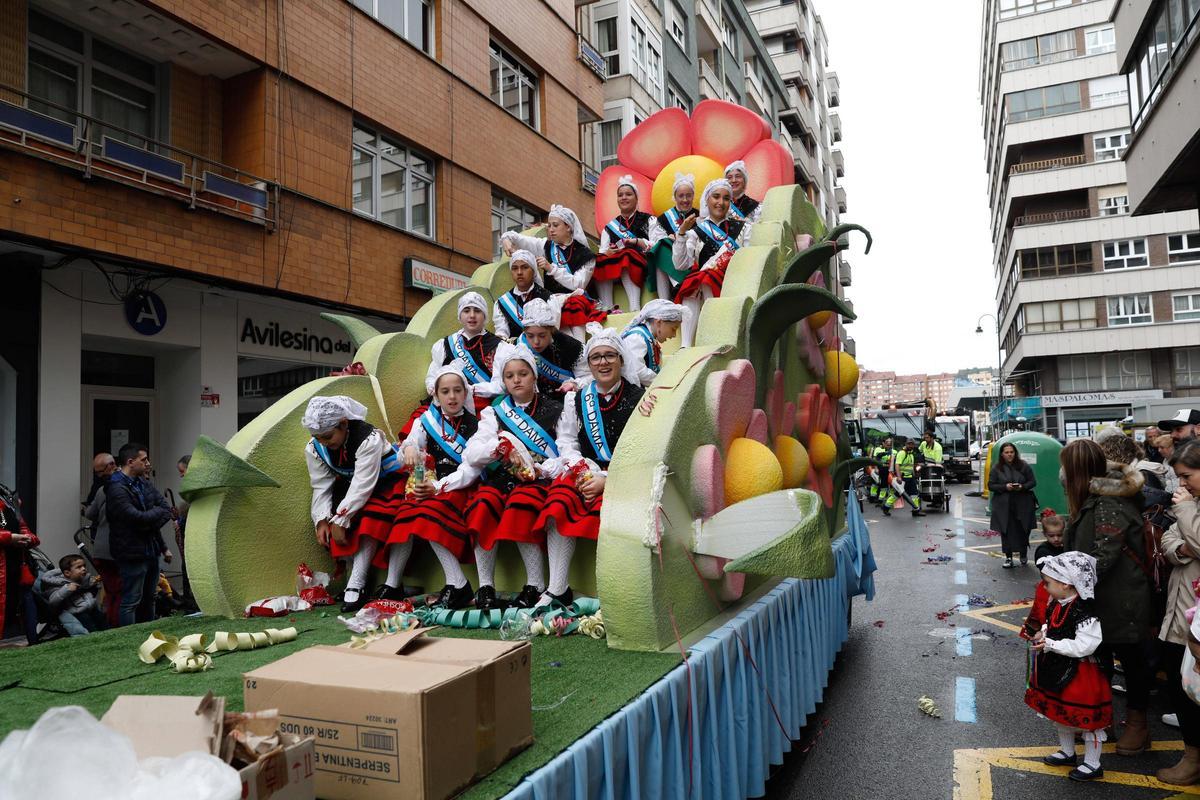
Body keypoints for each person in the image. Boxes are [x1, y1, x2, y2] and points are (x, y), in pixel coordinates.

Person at [462, 342, 580, 610]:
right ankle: (485, 586)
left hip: (540, 479)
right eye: (509, 375)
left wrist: (542, 469)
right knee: (482, 505)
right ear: (503, 380)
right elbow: (473, 453)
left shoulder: (556, 408)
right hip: (503, 479)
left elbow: (566, 451)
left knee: (521, 502)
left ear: (534, 376)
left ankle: (536, 584)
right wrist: (499, 448)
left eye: (522, 373)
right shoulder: (494, 412)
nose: (516, 380)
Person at [533, 326, 645, 608]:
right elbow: (567, 440)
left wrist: (606, 479)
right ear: (589, 363)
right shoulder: (576, 398)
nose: (603, 362)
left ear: (621, 360)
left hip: (623, 475)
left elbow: (643, 451)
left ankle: (616, 594)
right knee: (558, 500)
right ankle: (557, 589)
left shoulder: (639, 398)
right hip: (586, 470)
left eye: (610, 356)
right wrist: (582, 470)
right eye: (596, 357)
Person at [1060, 438, 1154, 756]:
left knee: (1132, 661)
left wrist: (1067, 581)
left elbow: (1104, 554)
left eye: (1065, 467)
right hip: (1102, 597)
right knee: (1101, 662)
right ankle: (1104, 721)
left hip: (1123, 597)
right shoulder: (1094, 496)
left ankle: (1138, 725)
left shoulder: (1109, 499)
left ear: (1077, 471)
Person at [386, 366, 482, 610]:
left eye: (457, 391)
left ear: (465, 393)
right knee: (407, 510)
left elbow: (471, 470)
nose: (452, 397)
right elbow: (411, 446)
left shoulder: (477, 425)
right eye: (445, 391)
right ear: (436, 395)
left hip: (460, 486)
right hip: (432, 486)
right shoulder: (425, 421)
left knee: (428, 511)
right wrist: (408, 449)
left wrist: (437, 487)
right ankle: (392, 583)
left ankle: (457, 583)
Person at [302, 396, 407, 613]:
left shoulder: (368, 439)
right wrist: (321, 519)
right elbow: (321, 485)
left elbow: (363, 483)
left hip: (386, 484)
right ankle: (355, 580)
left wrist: (342, 518)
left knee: (370, 519)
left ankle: (357, 583)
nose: (323, 443)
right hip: (355, 490)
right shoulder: (315, 447)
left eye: (328, 436)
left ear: (344, 423)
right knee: (334, 519)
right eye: (318, 438)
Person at [1025, 551, 1111, 783]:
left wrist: (1050, 643)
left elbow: (1086, 645)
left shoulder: (1085, 611)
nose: (1044, 588)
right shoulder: (1058, 602)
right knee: (1060, 713)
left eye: (1048, 583)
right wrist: (1043, 632)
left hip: (1082, 673)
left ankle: (1093, 764)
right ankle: (1068, 752)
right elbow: (1050, 624)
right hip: (1058, 666)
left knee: (1087, 720)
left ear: (1066, 584)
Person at [1155, 441, 1200, 785]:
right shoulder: (1190, 505)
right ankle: (1192, 757)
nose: (1182, 485)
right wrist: (1184, 546)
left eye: (1187, 476)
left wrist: (1186, 518)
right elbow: (1169, 544)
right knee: (1183, 691)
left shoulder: (1188, 507)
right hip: (1179, 611)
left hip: (1197, 620)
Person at [500, 205, 606, 341]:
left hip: (575, 300)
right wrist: (506, 240)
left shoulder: (586, 255)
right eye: (549, 226)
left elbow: (578, 284)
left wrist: (552, 269)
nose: (551, 230)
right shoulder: (546, 246)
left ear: (568, 227)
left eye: (555, 225)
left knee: (573, 308)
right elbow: (516, 238)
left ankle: (580, 349)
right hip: (551, 300)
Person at [671, 178, 754, 347]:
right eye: (716, 197)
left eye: (726, 198)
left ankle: (713, 332)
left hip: (732, 280)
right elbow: (680, 264)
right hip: (704, 282)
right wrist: (681, 233)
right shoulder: (695, 231)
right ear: (707, 200)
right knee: (693, 284)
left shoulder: (743, 228)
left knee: (702, 278)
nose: (720, 202)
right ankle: (685, 346)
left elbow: (748, 259)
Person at [106, 442, 174, 627]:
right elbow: (134, 518)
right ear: (130, 461)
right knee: (131, 600)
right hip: (131, 552)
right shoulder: (116, 488)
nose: (148, 463)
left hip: (150, 549)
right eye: (143, 460)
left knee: (149, 597)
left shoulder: (142, 483)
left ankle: (148, 635)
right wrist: (149, 520)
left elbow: (166, 508)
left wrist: (148, 522)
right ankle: (129, 639)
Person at [424, 291, 502, 414]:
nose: (472, 315)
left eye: (477, 310)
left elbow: (500, 385)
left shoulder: (498, 347)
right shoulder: (445, 344)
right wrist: (434, 388)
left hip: (479, 406)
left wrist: (471, 389)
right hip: (445, 404)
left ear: (485, 316)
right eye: (466, 311)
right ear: (460, 316)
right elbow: (432, 376)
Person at [594, 175, 653, 312]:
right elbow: (602, 250)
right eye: (620, 195)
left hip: (643, 264)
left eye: (628, 194)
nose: (624, 198)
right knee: (598, 259)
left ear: (636, 198)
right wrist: (607, 253)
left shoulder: (648, 220)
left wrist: (638, 242)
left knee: (627, 254)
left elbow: (655, 243)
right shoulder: (609, 227)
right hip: (616, 268)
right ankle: (607, 307)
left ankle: (634, 307)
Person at [515, 298, 588, 395]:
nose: (536, 342)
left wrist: (574, 384)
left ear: (552, 330)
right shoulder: (519, 347)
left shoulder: (570, 346)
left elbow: (587, 376)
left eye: (542, 335)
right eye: (530, 336)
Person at [647, 173, 699, 300]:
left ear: (693, 196)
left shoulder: (700, 217)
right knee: (661, 247)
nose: (685, 200)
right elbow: (655, 242)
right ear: (674, 197)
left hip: (692, 257)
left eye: (688, 195)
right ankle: (665, 298)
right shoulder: (663, 219)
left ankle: (676, 285)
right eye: (681, 196)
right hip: (671, 258)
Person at [0, 482, 40, 645]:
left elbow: (22, 526)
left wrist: (28, 538)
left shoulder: (6, 496)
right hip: (6, 567)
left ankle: (33, 641)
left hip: (16, 566)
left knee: (25, 601)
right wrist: (11, 538)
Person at [989, 442, 1037, 567]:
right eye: (1007, 452)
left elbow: (1032, 482)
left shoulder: (1024, 466)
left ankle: (1023, 554)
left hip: (1023, 503)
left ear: (1015, 453)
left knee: (1023, 528)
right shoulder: (996, 468)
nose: (1009, 455)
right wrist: (1005, 487)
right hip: (1004, 505)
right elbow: (991, 485)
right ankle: (1008, 557)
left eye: (1012, 452)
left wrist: (1022, 487)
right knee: (1006, 530)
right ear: (1002, 454)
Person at [1022, 513, 1067, 640]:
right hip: (1048, 589)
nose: (1056, 539)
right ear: (1045, 534)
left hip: (1065, 588)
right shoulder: (1043, 550)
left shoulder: (1067, 546)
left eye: (1060, 535)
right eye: (1051, 536)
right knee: (1044, 616)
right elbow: (1049, 571)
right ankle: (1041, 638)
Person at [619, 299, 685, 387]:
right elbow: (637, 370)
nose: (674, 335)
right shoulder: (637, 338)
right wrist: (663, 382)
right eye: (673, 329)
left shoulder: (647, 338)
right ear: (659, 322)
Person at [492, 250, 555, 340]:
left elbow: (553, 334)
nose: (519, 272)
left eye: (525, 267)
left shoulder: (548, 298)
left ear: (533, 271)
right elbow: (502, 334)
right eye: (514, 268)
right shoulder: (502, 303)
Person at [35, 554, 105, 636]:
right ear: (67, 573)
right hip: (78, 613)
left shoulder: (83, 579)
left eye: (84, 566)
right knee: (92, 629)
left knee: (104, 624)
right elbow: (53, 601)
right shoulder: (57, 584)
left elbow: (88, 585)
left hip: (92, 608)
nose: (84, 569)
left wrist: (94, 583)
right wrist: (66, 589)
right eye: (79, 567)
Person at [84, 480, 120, 627]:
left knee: (111, 590)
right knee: (120, 592)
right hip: (118, 549)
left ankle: (109, 622)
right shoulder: (124, 489)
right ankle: (116, 624)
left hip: (102, 549)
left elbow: (90, 513)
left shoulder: (101, 490)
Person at [890, 438, 926, 517]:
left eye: (912, 444)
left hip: (910, 478)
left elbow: (911, 467)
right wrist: (899, 477)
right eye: (909, 444)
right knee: (897, 495)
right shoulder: (902, 453)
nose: (911, 445)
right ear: (906, 444)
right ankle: (886, 506)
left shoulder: (911, 454)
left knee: (914, 494)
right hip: (903, 478)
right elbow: (897, 465)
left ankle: (915, 510)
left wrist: (914, 475)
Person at [724, 160, 762, 224]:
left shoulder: (755, 207)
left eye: (738, 176)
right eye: (729, 177)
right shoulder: (719, 204)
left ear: (744, 181)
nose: (733, 180)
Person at [870, 436, 896, 513]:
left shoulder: (894, 451)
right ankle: (880, 501)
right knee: (883, 485)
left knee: (892, 486)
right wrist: (876, 468)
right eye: (887, 443)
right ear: (883, 443)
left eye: (890, 443)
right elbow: (875, 459)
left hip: (891, 470)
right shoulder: (878, 450)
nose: (889, 444)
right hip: (882, 469)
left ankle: (889, 501)